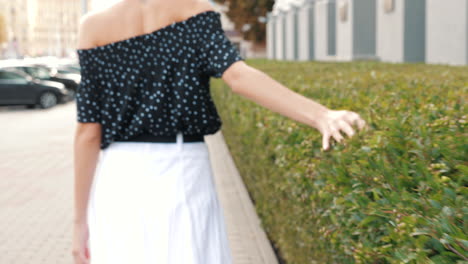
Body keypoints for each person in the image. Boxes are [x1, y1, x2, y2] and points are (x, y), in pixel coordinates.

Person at [72, 0, 367, 263]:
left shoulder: (93, 27)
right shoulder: (193, 10)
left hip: (118, 177)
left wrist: (79, 223)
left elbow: (88, 132)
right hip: (181, 168)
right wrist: (321, 115)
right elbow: (237, 76)